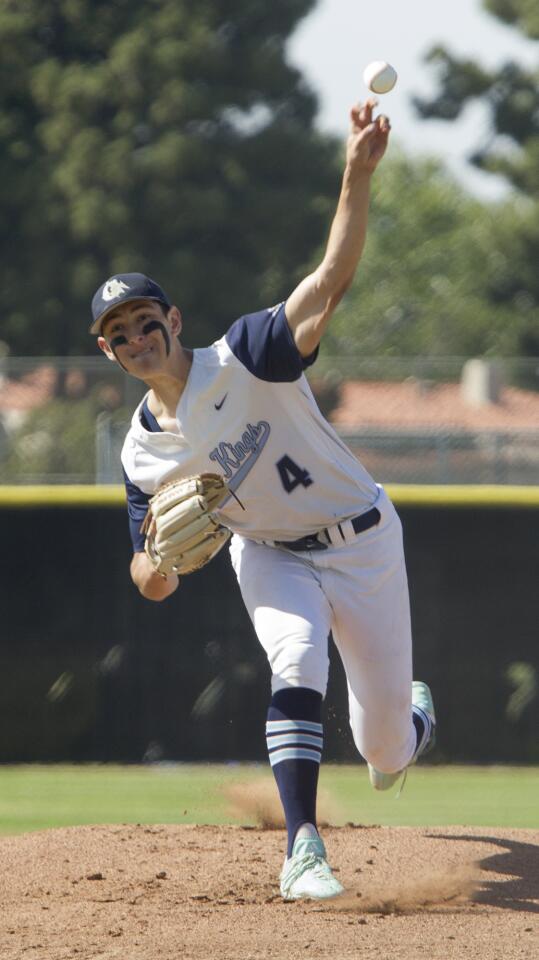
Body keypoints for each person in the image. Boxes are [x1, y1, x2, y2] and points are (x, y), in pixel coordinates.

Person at [91, 99, 435, 901]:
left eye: (145, 320)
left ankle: (411, 721)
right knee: (296, 661)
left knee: (384, 747)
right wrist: (158, 566)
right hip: (271, 556)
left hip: (362, 541)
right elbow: (148, 571)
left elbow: (329, 282)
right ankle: (304, 849)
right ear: (105, 353)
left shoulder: (246, 356)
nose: (137, 338)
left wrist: (355, 172)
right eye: (118, 335)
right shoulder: (141, 452)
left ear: (172, 320)